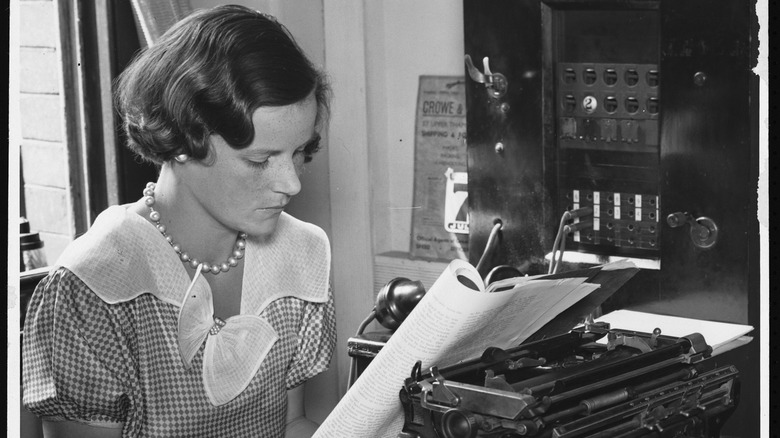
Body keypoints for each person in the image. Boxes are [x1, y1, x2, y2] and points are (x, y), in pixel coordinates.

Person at [22, 5, 335, 437]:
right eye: (261, 160)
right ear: (183, 139)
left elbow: (290, 424)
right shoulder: (93, 284)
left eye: (299, 153)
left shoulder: (300, 252)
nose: (292, 184)